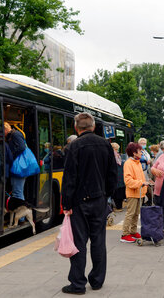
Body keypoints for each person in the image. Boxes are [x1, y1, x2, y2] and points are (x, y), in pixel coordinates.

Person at [61, 112, 117, 295]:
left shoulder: (74, 146)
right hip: (99, 200)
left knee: (79, 242)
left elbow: (69, 178)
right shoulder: (106, 145)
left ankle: (77, 284)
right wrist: (106, 195)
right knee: (98, 241)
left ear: (77, 129)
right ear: (93, 127)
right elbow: (112, 175)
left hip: (79, 203)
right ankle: (97, 280)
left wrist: (66, 204)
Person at [120, 142, 149, 243]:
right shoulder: (129, 163)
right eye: (140, 151)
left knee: (136, 214)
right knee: (130, 213)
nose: (142, 153)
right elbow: (128, 180)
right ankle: (125, 234)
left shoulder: (137, 162)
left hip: (139, 192)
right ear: (134, 152)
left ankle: (133, 231)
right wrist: (141, 183)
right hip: (133, 192)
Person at [4, 122, 26, 202]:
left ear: (5, 129)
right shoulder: (13, 135)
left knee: (17, 193)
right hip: (18, 168)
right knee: (17, 192)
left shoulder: (15, 135)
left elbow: (22, 148)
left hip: (19, 168)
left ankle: (21, 214)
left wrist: (11, 154)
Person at [111, 142, 125, 212]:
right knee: (118, 192)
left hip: (118, 176)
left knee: (118, 192)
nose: (117, 151)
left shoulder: (115, 156)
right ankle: (118, 206)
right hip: (118, 176)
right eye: (116, 149)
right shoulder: (114, 156)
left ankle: (119, 207)